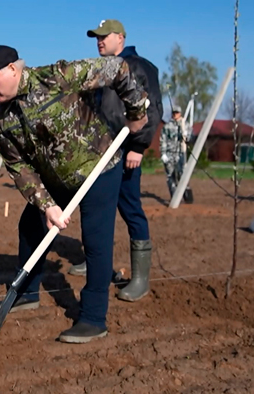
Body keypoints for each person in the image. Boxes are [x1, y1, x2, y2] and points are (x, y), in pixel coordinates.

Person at [0, 44, 148, 342]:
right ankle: (27, 292)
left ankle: (93, 317)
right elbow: (18, 166)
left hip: (98, 169)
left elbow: (117, 68)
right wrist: (47, 205)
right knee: (30, 225)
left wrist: (136, 111)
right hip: (57, 179)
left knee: (95, 240)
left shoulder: (57, 77)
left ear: (13, 69)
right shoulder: (2, 117)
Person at [67, 19, 163, 304]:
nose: (98, 41)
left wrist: (139, 146)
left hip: (125, 152)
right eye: (96, 37)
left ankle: (140, 279)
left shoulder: (140, 66)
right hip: (99, 152)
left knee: (130, 207)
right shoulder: (99, 70)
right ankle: (98, 263)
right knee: (95, 207)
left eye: (104, 36)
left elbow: (152, 108)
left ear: (120, 37)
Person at [160, 106, 189, 199]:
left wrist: (186, 135)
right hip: (169, 154)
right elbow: (163, 140)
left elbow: (191, 137)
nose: (175, 115)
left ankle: (186, 195)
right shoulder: (167, 126)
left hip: (181, 154)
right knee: (170, 175)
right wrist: (163, 153)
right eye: (174, 113)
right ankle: (174, 197)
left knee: (182, 174)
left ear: (180, 113)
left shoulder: (185, 125)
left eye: (177, 113)